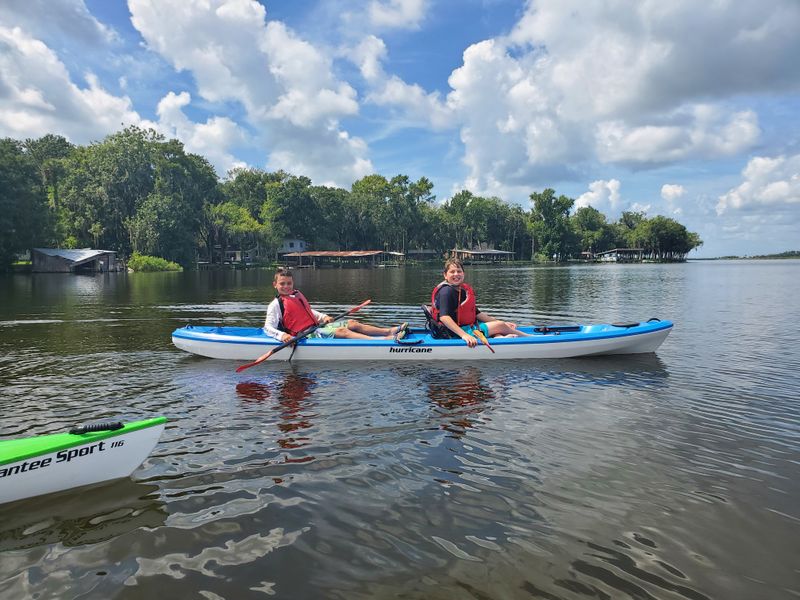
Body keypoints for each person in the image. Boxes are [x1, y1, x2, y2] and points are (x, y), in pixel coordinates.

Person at [264, 268, 407, 342]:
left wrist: (324, 317)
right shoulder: (275, 305)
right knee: (342, 332)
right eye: (282, 284)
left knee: (352, 323)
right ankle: (382, 341)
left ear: (293, 283)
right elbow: (268, 328)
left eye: (289, 283)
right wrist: (282, 336)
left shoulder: (295, 296)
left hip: (317, 327)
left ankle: (388, 331)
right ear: (275, 285)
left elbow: (309, 312)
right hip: (306, 335)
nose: (286, 286)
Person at [430, 258, 532, 347]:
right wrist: (464, 335)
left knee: (498, 325)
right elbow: (444, 317)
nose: (456, 274)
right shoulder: (446, 292)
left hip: (467, 327)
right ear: (445, 275)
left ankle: (499, 339)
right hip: (454, 333)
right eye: (452, 272)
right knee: (499, 326)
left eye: (459, 271)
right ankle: (529, 338)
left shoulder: (462, 290)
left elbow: (477, 314)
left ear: (463, 273)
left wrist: (501, 323)